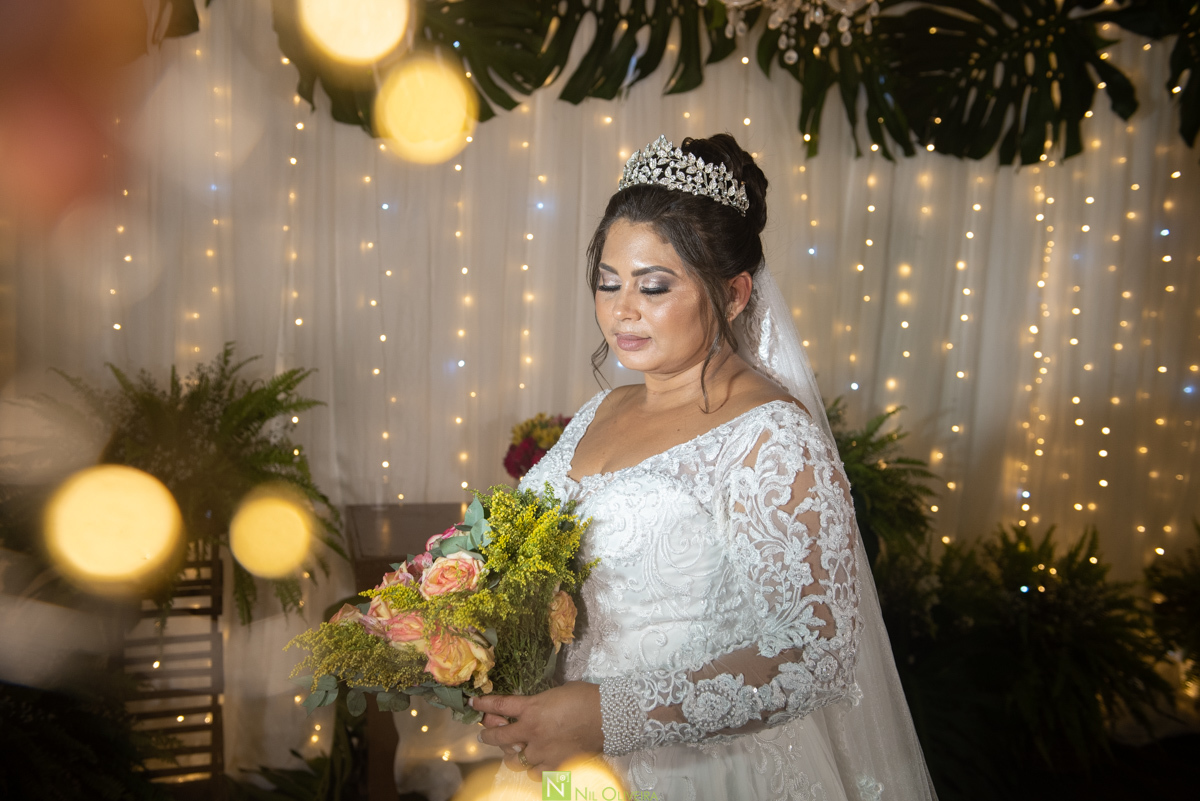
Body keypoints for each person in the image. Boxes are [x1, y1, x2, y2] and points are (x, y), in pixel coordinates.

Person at [473, 134, 937, 800]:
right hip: (578, 769)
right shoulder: (598, 411)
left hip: (712, 775)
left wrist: (611, 714)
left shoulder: (770, 436)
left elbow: (817, 656)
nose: (621, 310)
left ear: (735, 292)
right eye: (608, 284)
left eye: (653, 286)